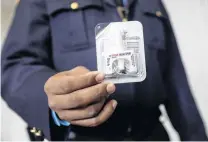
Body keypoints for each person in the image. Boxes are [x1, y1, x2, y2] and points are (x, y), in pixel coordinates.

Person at [1, 0, 207, 141]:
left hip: (152, 134)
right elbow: (13, 65)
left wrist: (196, 138)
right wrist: (52, 100)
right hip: (82, 137)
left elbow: (175, 80)